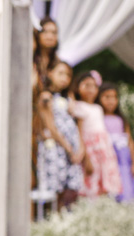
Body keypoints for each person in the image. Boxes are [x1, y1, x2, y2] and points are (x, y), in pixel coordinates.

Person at [37, 60, 85, 209]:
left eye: (68, 75)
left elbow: (77, 124)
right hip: (57, 148)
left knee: (71, 190)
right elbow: (51, 126)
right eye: (60, 73)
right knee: (55, 190)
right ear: (50, 73)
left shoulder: (69, 97)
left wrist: (80, 150)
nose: (64, 78)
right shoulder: (46, 96)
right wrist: (69, 149)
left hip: (73, 149)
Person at [69, 71, 122, 199]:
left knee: (105, 179)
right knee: (92, 179)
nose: (91, 90)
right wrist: (86, 157)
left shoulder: (98, 108)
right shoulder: (79, 106)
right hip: (91, 150)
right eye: (87, 85)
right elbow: (80, 132)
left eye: (94, 86)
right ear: (78, 87)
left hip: (104, 150)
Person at [99, 82, 134, 202]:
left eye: (114, 97)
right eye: (107, 97)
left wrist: (133, 162)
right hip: (108, 157)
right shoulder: (98, 117)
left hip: (124, 159)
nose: (111, 101)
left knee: (125, 182)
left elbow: (130, 141)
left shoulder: (122, 119)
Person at [34, 17, 59, 87]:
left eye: (54, 33)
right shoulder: (30, 58)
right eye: (45, 31)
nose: (50, 37)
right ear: (38, 34)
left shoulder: (57, 62)